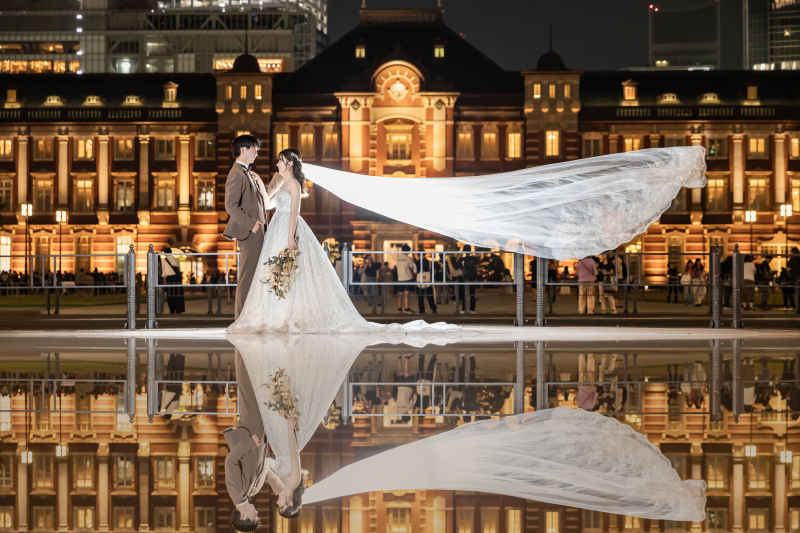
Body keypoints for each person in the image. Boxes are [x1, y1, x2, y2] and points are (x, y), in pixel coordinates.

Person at [223, 134, 270, 319]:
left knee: (254, 276)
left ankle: (250, 317)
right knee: (247, 277)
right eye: (253, 148)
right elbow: (231, 205)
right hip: (249, 233)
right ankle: (241, 320)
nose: (256, 152)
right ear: (243, 149)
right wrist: (252, 225)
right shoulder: (236, 173)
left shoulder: (245, 172)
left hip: (255, 232)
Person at [225, 352, 269, 532]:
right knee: (254, 384)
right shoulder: (244, 494)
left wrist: (251, 443)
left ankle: (241, 341)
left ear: (243, 516)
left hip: (251, 431)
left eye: (254, 516)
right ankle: (250, 345)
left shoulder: (236, 493)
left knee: (247, 385)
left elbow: (231, 461)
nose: (256, 512)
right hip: (256, 431)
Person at [161, 247, 185, 314]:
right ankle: (178, 309)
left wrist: (164, 280)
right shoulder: (176, 259)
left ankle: (172, 309)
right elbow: (179, 270)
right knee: (177, 294)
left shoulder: (164, 260)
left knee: (170, 295)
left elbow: (163, 272)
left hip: (170, 279)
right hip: (177, 279)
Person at [395, 245, 417, 314]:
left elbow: (397, 267)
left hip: (400, 278)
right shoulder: (409, 259)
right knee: (407, 294)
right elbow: (412, 268)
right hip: (408, 278)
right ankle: (407, 309)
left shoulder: (398, 258)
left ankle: (399, 309)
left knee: (400, 294)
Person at [458, 245, 479, 314]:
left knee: (463, 294)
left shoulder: (462, 259)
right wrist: (472, 253)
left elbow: (456, 263)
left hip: (464, 278)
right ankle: (472, 309)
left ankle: (464, 308)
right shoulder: (474, 259)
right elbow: (477, 260)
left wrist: (460, 253)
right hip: (472, 277)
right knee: (472, 294)